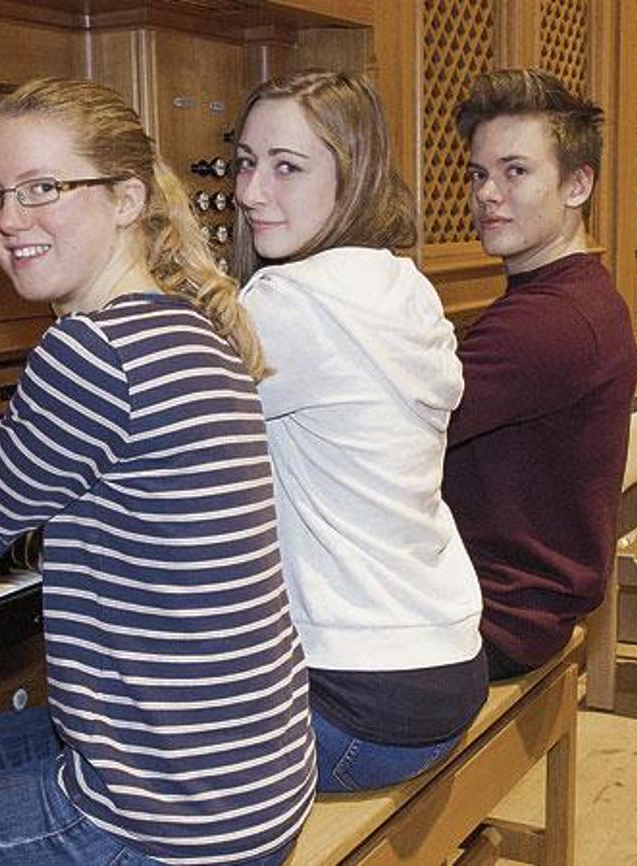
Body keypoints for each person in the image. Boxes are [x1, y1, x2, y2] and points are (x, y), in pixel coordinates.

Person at [0, 77, 316, 866]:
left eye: (44, 188)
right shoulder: (188, 325)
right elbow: (102, 483)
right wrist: (5, 451)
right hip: (258, 776)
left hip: (170, 819)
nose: (10, 220)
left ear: (125, 199)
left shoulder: (89, 350)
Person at [231, 69, 486, 793]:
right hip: (442, 666)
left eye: (287, 167)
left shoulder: (292, 304)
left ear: (354, 177)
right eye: (246, 163)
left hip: (355, 709)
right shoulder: (401, 283)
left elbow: (133, 422)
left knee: (98, 743)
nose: (251, 192)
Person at [443, 68, 637, 680]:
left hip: (496, 619)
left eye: (515, 171)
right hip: (524, 606)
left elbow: (397, 430)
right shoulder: (576, 292)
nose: (487, 194)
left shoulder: (551, 320)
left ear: (578, 184)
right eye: (479, 174)